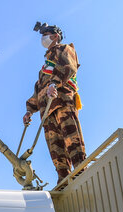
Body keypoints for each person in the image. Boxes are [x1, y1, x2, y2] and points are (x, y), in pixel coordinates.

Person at [23, 23, 86, 183]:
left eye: (46, 34)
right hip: (47, 112)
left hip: (62, 102)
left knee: (72, 141)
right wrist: (30, 110)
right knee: (56, 149)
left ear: (55, 36)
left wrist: (54, 84)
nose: (43, 38)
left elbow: (68, 67)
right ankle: (63, 179)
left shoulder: (64, 49)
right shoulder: (43, 69)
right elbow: (38, 90)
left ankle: (81, 173)